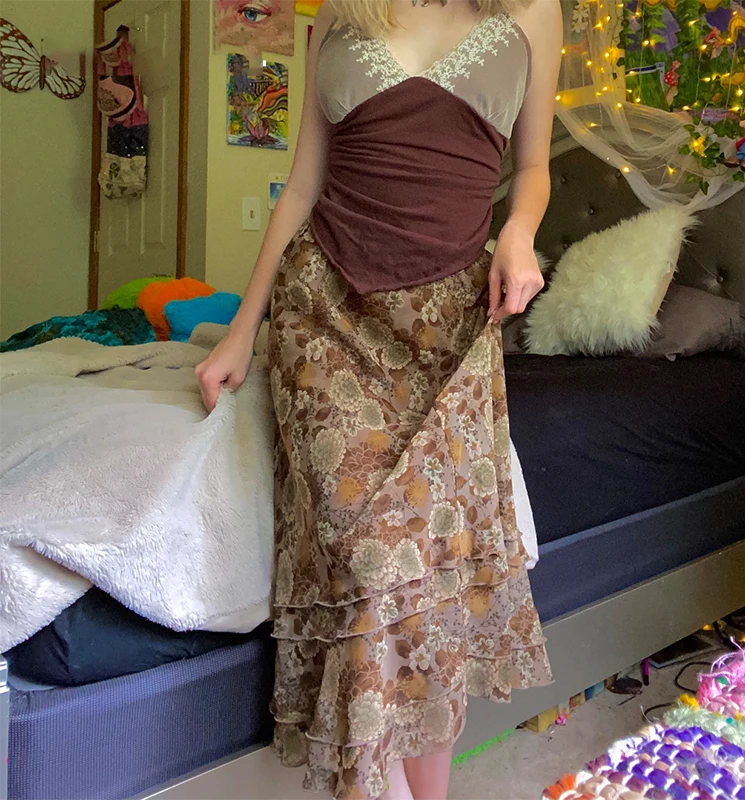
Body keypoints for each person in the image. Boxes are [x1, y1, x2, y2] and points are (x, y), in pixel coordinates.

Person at [196, 1, 561, 797]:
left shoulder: (532, 10)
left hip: (451, 325)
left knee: (427, 580)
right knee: (367, 560)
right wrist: (241, 332)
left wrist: (519, 231)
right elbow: (302, 186)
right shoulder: (339, 11)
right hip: (324, 313)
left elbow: (533, 165)